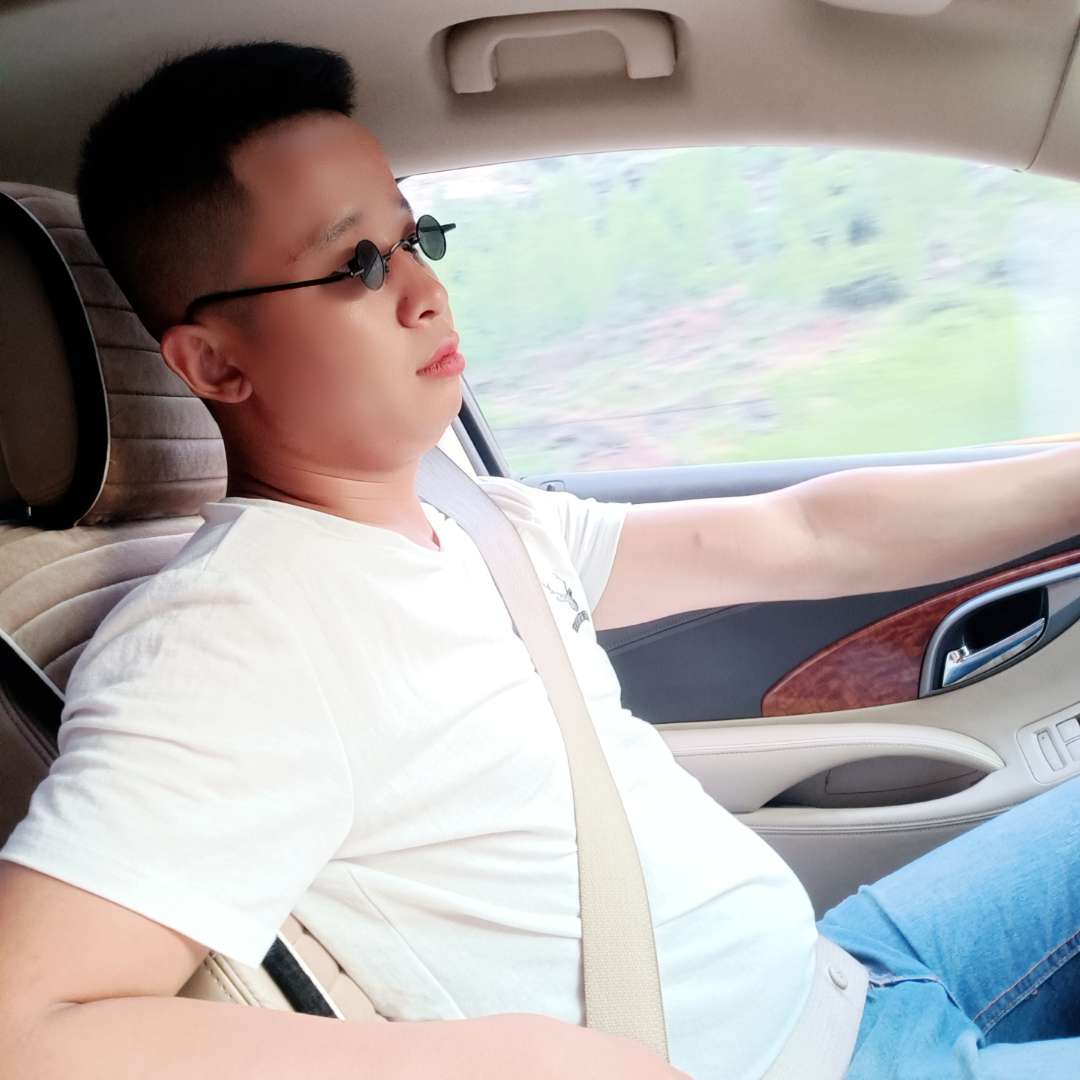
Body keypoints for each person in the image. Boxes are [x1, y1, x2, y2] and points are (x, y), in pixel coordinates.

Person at [0, 38, 1078, 1080]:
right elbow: (27, 1029)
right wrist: (502, 1067)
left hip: (848, 975)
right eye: (357, 264)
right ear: (213, 363)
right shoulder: (233, 636)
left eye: (415, 240)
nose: (424, 292)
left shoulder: (469, 513)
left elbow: (806, 534)